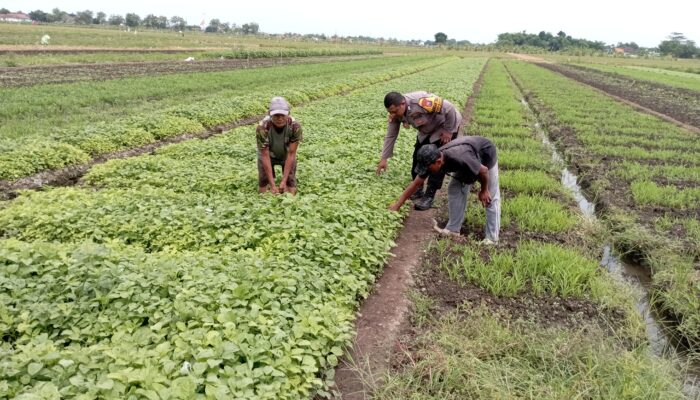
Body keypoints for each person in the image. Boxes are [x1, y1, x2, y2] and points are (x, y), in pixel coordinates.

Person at [389, 136, 501, 244]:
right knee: (455, 188)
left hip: (486, 154)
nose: (426, 171)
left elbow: (484, 170)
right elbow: (415, 184)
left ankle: (492, 239)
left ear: (438, 162)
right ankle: (453, 229)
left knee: (490, 197)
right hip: (470, 156)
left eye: (427, 168)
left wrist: (484, 189)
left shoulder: (459, 157)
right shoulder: (432, 159)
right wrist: (397, 205)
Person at [376, 91, 462, 210]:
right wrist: (384, 159)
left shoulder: (422, 102)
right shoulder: (395, 113)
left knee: (437, 161)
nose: (392, 114)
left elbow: (450, 109)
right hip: (426, 130)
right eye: (390, 112)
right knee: (419, 156)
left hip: (445, 125)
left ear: (402, 103)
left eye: (394, 111)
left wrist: (448, 130)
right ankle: (418, 189)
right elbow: (391, 135)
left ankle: (429, 196)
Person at [256, 96, 302, 195]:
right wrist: (272, 185)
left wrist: (284, 180)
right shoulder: (262, 127)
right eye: (276, 115)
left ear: (288, 114)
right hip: (268, 156)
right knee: (263, 189)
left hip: (286, 155)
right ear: (270, 114)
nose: (280, 119)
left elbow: (291, 154)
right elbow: (265, 155)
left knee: (291, 188)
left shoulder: (295, 126)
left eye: (283, 115)